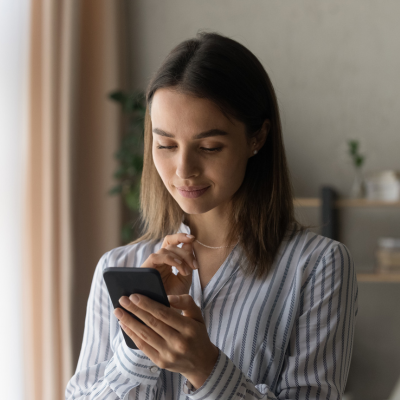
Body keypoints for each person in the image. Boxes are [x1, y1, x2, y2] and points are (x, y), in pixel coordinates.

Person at [65, 31, 358, 400]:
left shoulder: (318, 265)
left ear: (258, 137)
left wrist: (205, 369)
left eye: (208, 146)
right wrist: (136, 348)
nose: (183, 169)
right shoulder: (120, 266)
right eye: (166, 145)